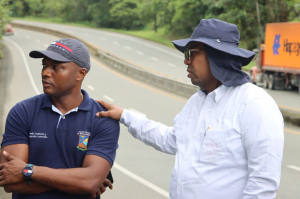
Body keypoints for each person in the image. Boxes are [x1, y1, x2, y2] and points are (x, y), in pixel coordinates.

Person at [95, 19, 284, 199]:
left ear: (216, 55)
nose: (186, 61)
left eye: (191, 53)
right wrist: (126, 116)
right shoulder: (197, 101)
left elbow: (263, 183)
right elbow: (172, 139)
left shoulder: (254, 103)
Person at [0, 38, 120, 199]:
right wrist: (78, 182)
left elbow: (90, 181)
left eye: (56, 67)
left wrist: (28, 171)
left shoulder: (102, 118)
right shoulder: (22, 112)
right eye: (44, 65)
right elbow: (10, 181)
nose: (45, 72)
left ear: (81, 74)